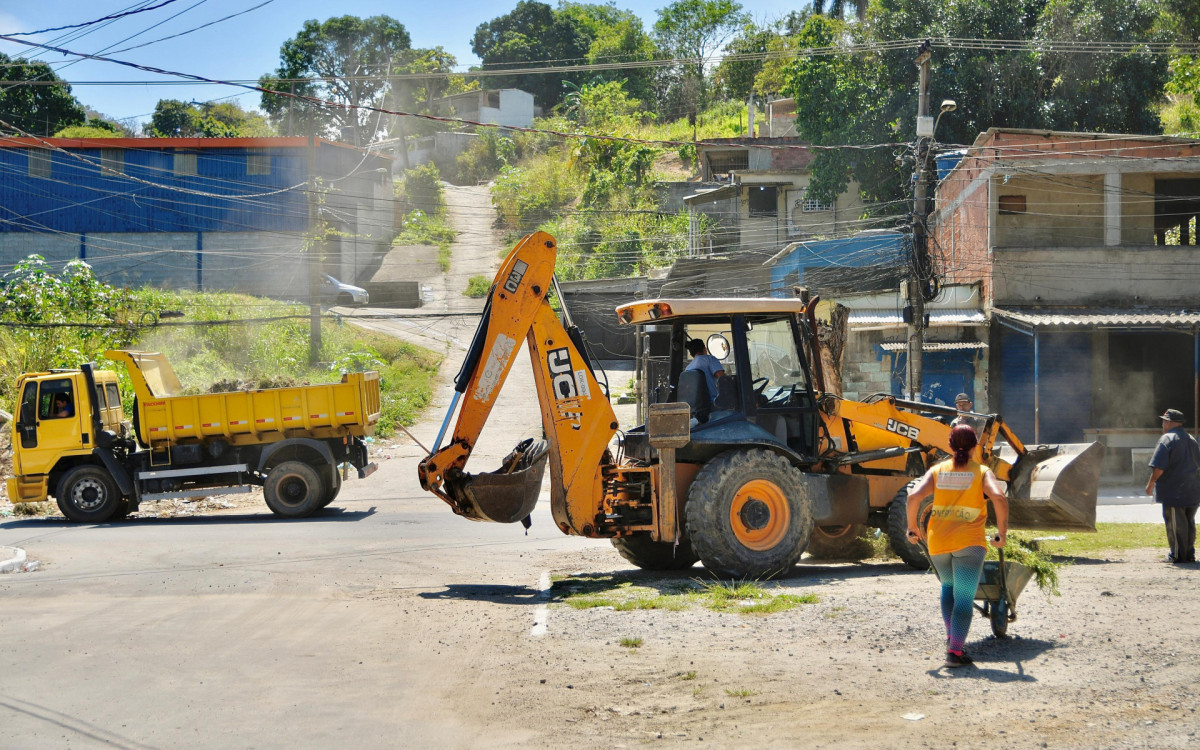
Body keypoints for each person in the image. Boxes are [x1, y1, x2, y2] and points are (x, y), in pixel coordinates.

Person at [906, 424, 1009, 668]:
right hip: (969, 543)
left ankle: (952, 639)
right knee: (963, 598)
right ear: (975, 446)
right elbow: (999, 497)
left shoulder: (937, 470)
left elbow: (913, 496)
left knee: (948, 588)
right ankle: (955, 652)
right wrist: (1002, 533)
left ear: (950, 446)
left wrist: (912, 528)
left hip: (938, 541)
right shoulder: (981, 472)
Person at [1144, 408, 1200, 564]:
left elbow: (1159, 467)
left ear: (1169, 422)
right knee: (1188, 522)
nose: (1162, 424)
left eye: (1164, 421)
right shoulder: (1192, 439)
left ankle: (1177, 555)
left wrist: (1150, 484)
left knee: (1175, 524)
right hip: (1193, 489)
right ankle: (1189, 554)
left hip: (1175, 489)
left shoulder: (1167, 439)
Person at [684, 339, 724, 404]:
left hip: (695, 405)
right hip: (713, 403)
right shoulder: (710, 359)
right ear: (704, 349)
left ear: (691, 355)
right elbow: (722, 378)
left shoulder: (688, 368)